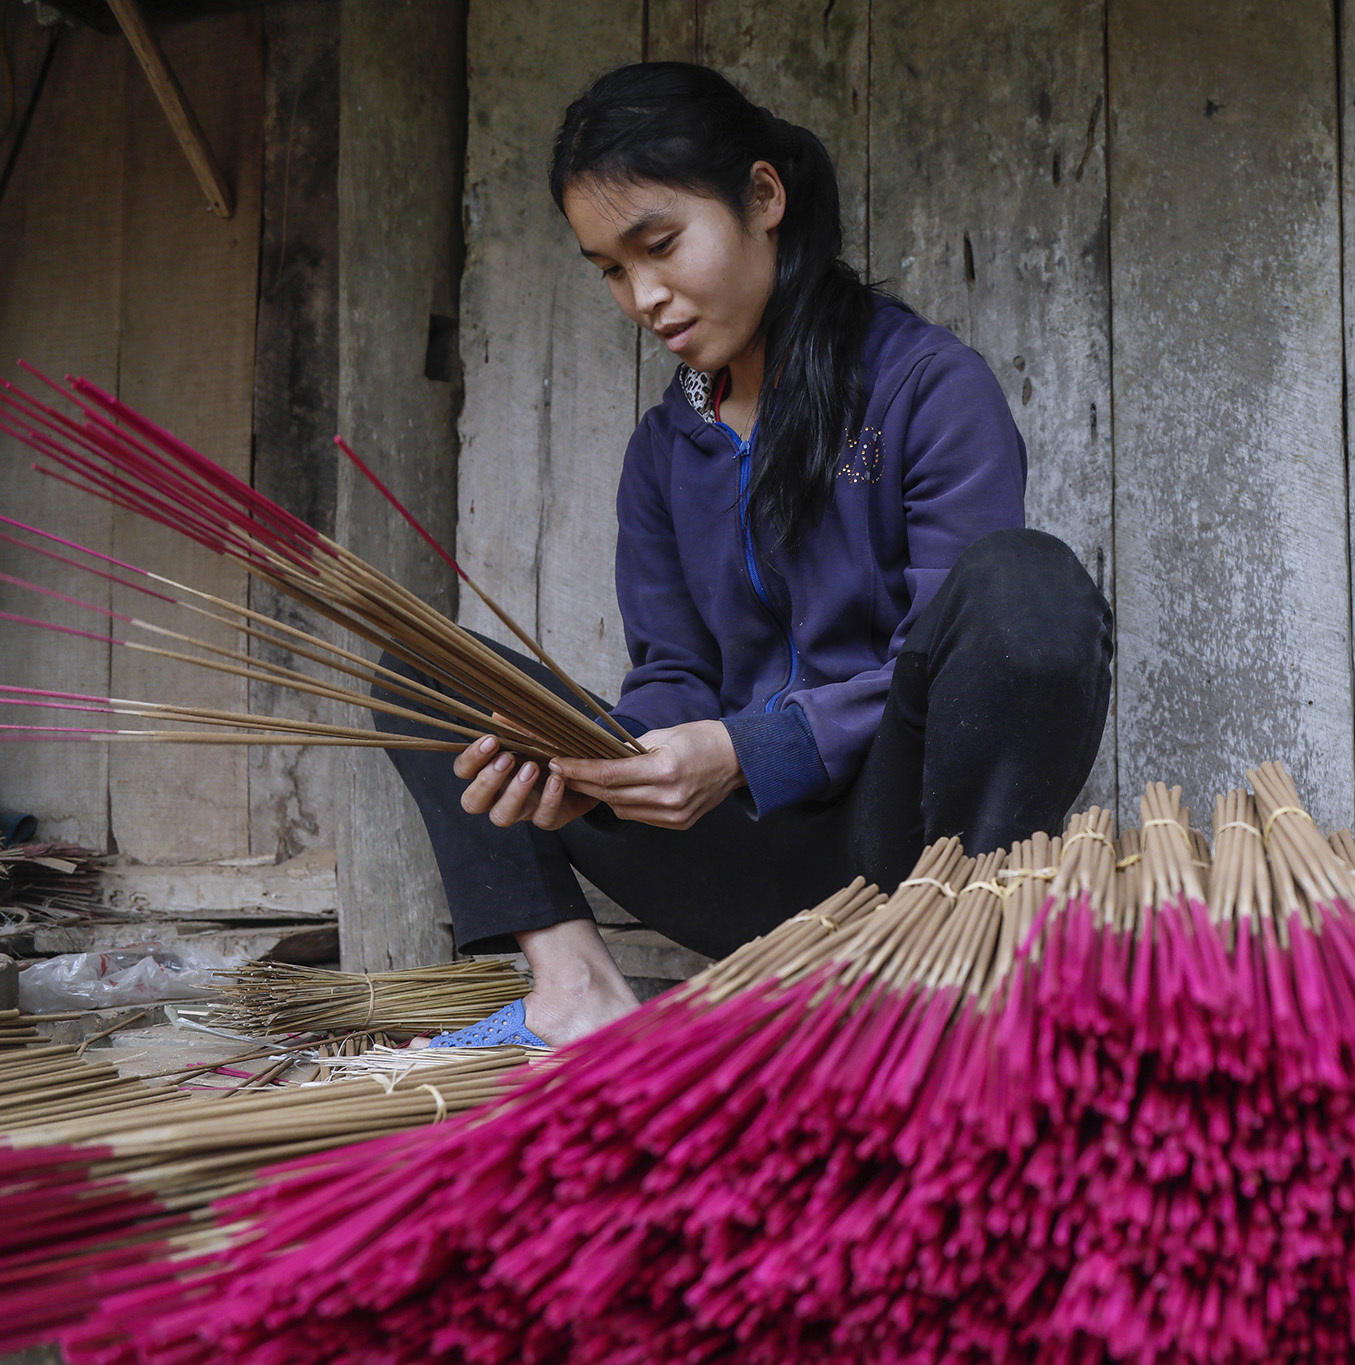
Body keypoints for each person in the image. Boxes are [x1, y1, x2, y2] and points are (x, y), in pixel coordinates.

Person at [377, 63, 1113, 1048]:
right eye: (608, 268)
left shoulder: (926, 388)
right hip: (733, 867)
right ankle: (574, 992)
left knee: (1028, 587)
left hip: (904, 856)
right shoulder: (664, 446)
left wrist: (747, 750)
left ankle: (958, 993)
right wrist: (606, 761)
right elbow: (675, 673)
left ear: (763, 197)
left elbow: (951, 660)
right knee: (421, 671)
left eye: (661, 244)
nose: (643, 296)